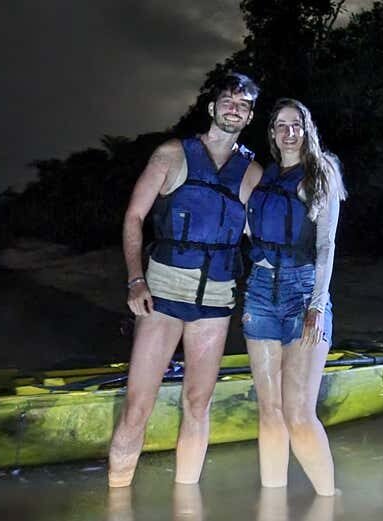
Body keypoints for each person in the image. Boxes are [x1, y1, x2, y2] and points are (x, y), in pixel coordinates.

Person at [108, 73, 262, 488]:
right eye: (228, 100)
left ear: (249, 117)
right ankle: (117, 501)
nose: (235, 107)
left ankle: (186, 503)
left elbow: (265, 238)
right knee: (138, 404)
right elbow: (134, 217)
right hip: (163, 294)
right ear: (211, 108)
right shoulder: (171, 154)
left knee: (198, 403)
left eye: (244, 105)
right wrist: (135, 279)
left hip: (216, 299)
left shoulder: (252, 174)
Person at [243, 98, 347, 496]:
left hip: (303, 293)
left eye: (296, 124)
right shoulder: (263, 176)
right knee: (269, 412)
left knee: (299, 414)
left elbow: (326, 245)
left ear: (307, 130)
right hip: (259, 294)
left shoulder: (321, 173)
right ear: (271, 133)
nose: (289, 131)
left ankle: (328, 501)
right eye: (281, 125)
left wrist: (317, 305)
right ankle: (273, 505)